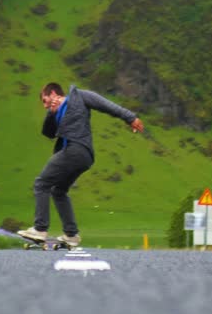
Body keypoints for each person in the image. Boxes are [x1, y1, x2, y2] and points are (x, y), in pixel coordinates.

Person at [17, 82, 144, 247]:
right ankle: (71, 235)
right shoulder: (54, 112)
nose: (45, 105)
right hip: (80, 156)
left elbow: (106, 105)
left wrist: (130, 117)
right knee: (58, 191)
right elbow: (48, 133)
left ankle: (40, 229)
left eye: (45, 100)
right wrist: (51, 113)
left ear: (53, 93)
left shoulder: (79, 97)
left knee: (41, 183)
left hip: (76, 150)